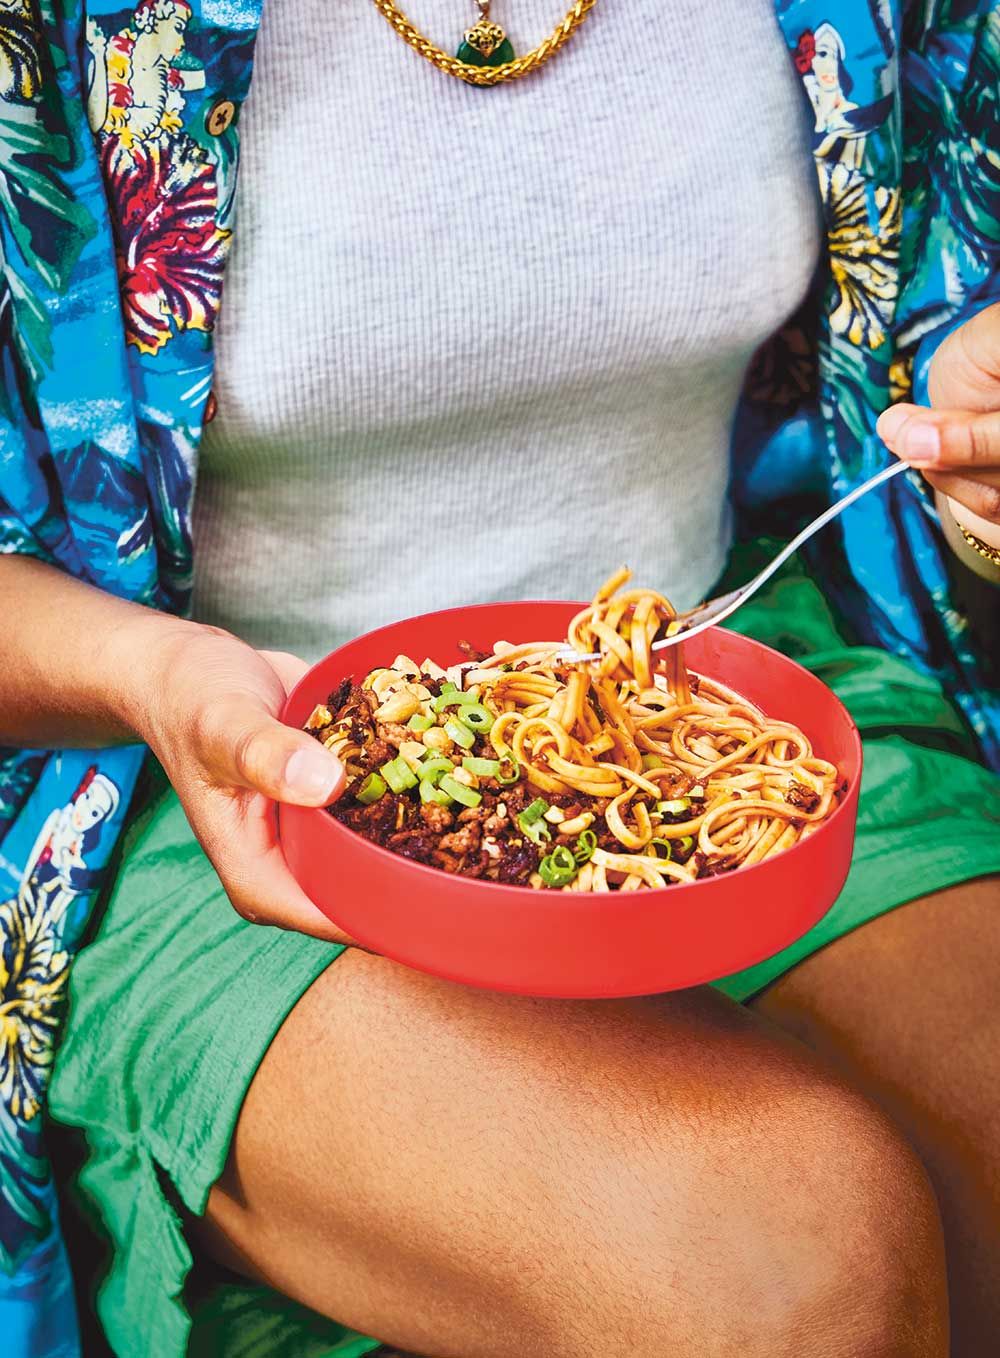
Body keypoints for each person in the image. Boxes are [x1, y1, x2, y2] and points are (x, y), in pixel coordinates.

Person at [1, 2, 999, 1356]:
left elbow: (925, 281)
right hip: (182, 767)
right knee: (795, 1270)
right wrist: (148, 672)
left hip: (712, 688)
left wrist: (957, 395)